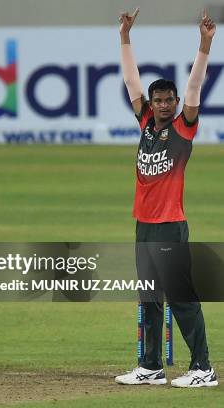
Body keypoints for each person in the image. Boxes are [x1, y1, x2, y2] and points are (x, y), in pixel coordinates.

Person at [114, 8, 218, 387]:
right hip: (143, 224)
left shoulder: (183, 129)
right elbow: (131, 80)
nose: (161, 104)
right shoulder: (145, 124)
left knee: (182, 299)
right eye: (157, 99)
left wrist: (204, 45)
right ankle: (152, 366)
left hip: (170, 226)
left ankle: (203, 368)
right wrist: (125, 36)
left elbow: (194, 88)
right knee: (149, 300)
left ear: (175, 103)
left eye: (167, 100)